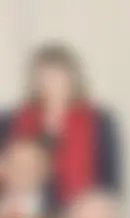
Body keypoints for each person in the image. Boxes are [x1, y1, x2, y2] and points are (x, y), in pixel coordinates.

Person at [1, 44, 121, 206]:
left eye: (59, 75)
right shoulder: (11, 120)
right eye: (45, 76)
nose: (52, 83)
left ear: (74, 78)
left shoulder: (100, 121)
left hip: (82, 215)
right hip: (25, 214)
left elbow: (110, 183)